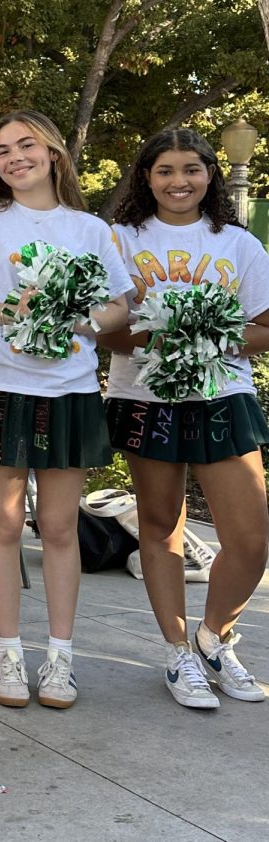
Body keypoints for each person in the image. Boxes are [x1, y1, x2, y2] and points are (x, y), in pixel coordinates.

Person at [0, 110, 132, 709]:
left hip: (68, 391)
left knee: (58, 527)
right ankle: (9, 655)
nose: (14, 158)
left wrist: (79, 320)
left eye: (26, 146)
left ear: (52, 154)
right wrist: (14, 314)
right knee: (2, 523)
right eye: (1, 152)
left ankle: (61, 660)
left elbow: (120, 308)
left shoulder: (90, 228)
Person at [100, 128, 269, 709]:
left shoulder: (240, 244)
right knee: (160, 526)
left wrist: (209, 336)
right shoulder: (118, 239)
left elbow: (265, 327)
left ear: (210, 175)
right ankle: (177, 653)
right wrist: (162, 332)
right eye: (165, 170)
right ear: (145, 177)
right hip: (146, 397)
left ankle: (213, 638)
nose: (179, 182)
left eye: (191, 169)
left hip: (224, 396)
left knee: (250, 539)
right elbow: (107, 331)